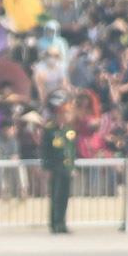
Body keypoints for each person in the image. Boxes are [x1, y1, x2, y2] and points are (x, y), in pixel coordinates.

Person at [41, 97, 78, 234]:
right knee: (55, 197)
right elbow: (45, 150)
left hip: (66, 168)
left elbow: (72, 151)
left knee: (64, 196)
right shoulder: (50, 130)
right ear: (58, 114)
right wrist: (46, 168)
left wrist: (73, 167)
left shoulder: (69, 131)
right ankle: (54, 223)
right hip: (55, 167)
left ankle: (62, 223)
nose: (66, 116)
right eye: (64, 113)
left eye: (68, 113)